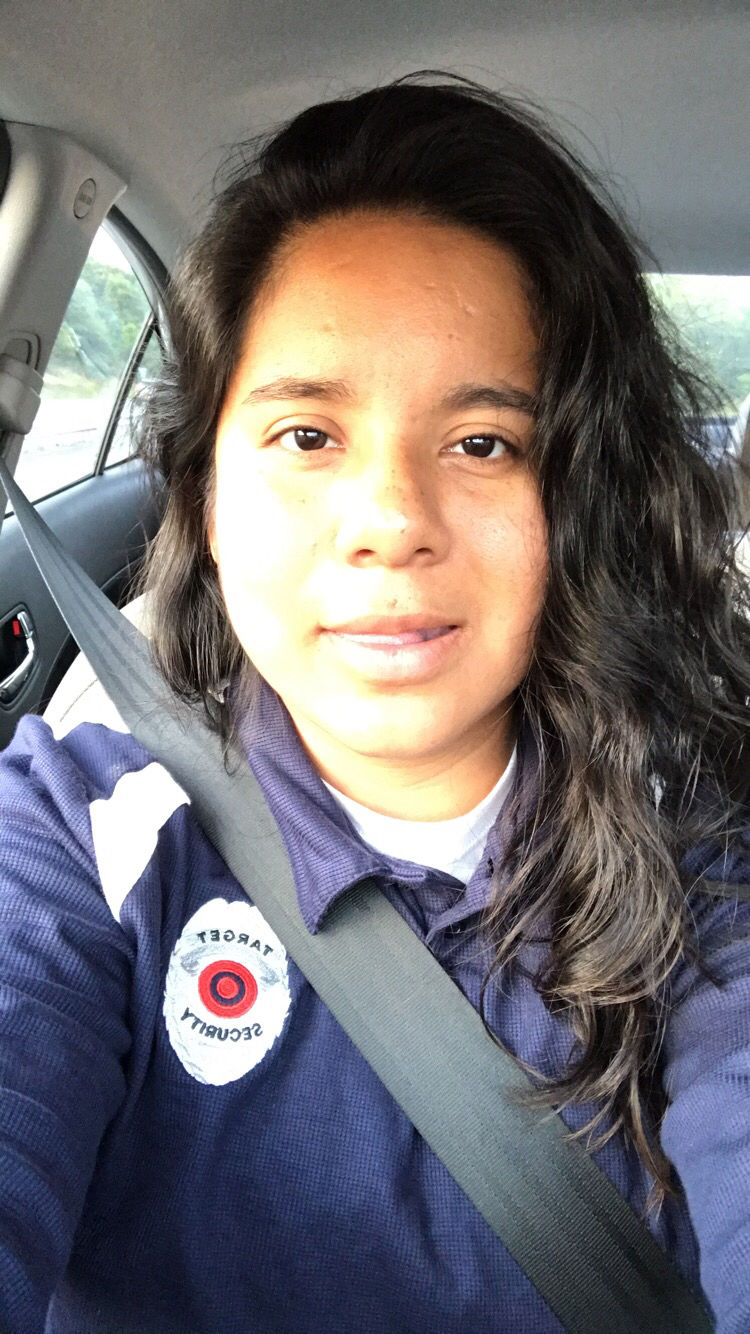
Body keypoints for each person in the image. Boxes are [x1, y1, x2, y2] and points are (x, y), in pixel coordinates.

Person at [0, 73, 748, 1334]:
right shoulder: (82, 832)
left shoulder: (706, 849)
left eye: (484, 442)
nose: (392, 521)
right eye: (307, 435)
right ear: (205, 494)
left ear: (582, 500)